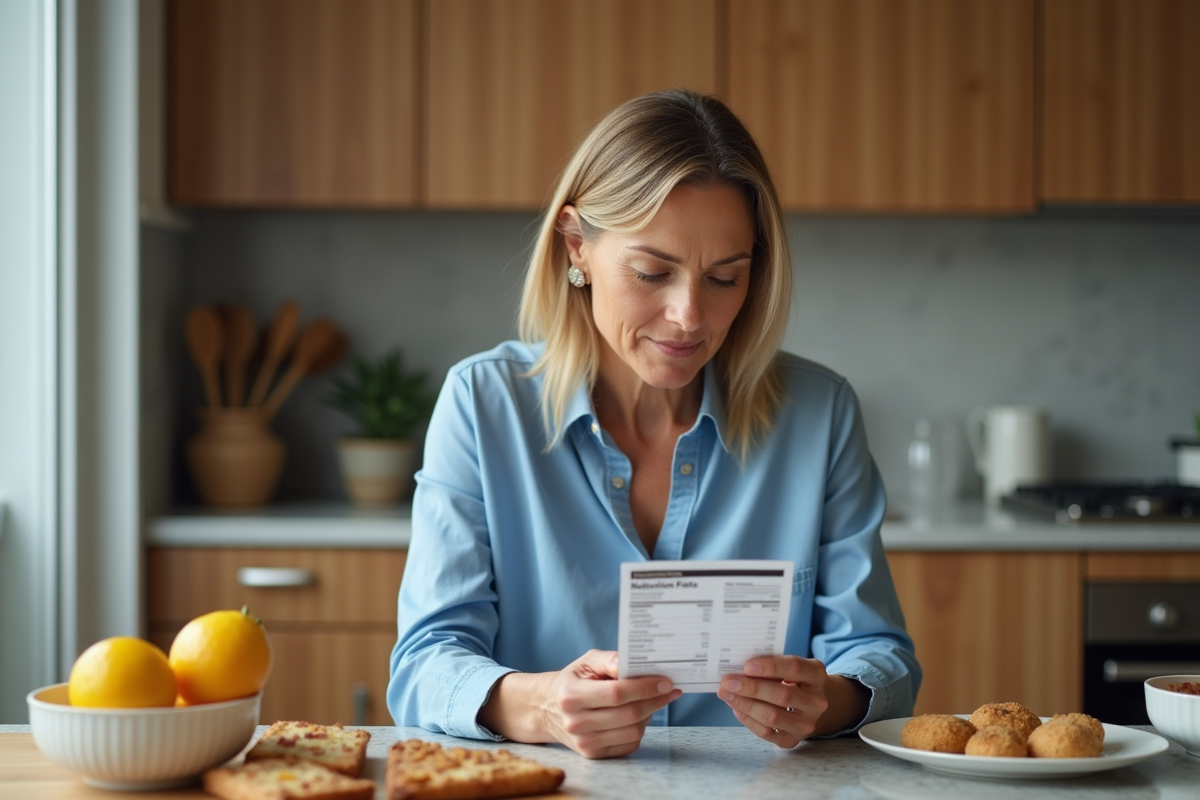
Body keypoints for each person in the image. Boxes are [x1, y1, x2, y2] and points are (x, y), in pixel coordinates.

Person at [387, 89, 920, 759]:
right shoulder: (482, 404)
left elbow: (881, 660)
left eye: (725, 278)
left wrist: (823, 701)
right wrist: (543, 705)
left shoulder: (820, 414)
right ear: (577, 246)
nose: (690, 316)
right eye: (652, 272)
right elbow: (424, 663)